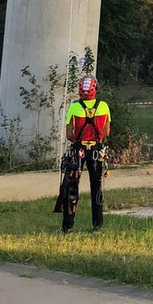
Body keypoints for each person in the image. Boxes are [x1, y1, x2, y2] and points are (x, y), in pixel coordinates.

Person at [57, 74, 111, 234]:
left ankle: (68, 226)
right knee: (97, 188)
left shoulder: (74, 107)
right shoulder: (104, 106)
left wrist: (79, 139)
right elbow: (106, 131)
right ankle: (97, 226)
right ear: (95, 89)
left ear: (80, 91)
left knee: (72, 187)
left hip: (78, 150)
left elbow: (69, 134)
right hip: (97, 151)